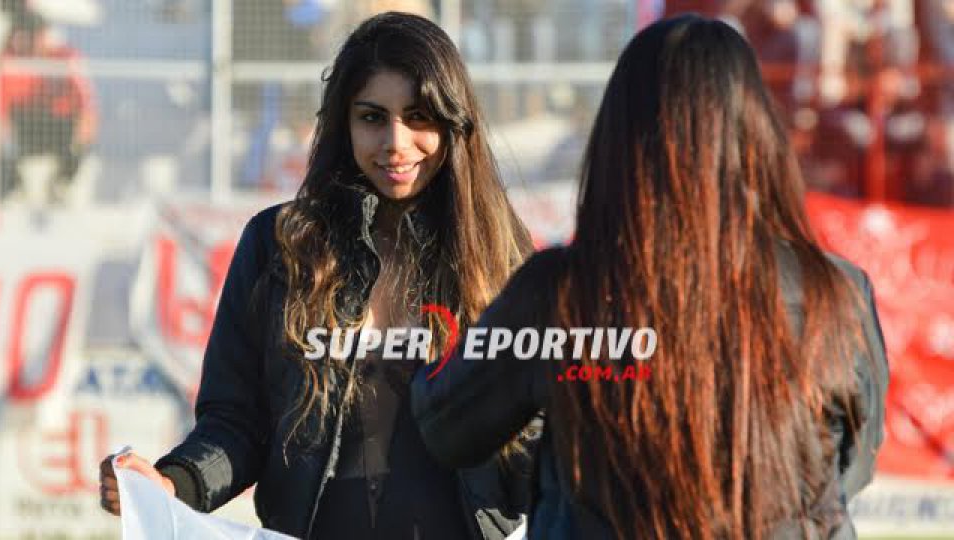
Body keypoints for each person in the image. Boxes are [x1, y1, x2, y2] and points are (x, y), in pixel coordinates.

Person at [412, 15, 889, 539]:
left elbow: (447, 425)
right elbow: (851, 465)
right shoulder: (839, 292)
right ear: (756, 132)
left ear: (619, 136)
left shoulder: (559, 293)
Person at [98, 12, 534, 540]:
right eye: (372, 117)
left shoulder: (499, 255)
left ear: (453, 123)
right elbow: (237, 423)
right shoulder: (276, 245)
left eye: (419, 116)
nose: (396, 142)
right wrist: (171, 484)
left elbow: (528, 439)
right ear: (342, 123)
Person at [0, 9, 96, 202]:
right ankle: (12, 192)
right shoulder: (11, 63)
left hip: (60, 129)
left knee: (79, 143)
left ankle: (60, 186)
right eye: (22, 36)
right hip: (26, 130)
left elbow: (85, 103)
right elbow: (2, 110)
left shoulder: (64, 57)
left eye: (32, 35)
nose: (25, 42)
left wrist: (84, 132)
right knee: (6, 148)